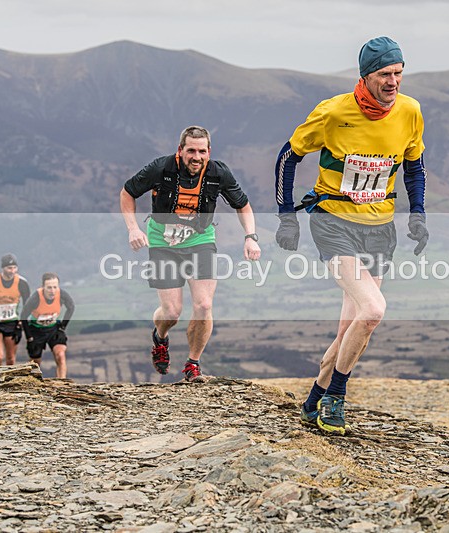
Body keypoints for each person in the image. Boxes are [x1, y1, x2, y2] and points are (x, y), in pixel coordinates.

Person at [274, 36, 428, 436]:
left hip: (380, 229)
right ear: (365, 76)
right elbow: (288, 156)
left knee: (352, 327)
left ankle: (313, 398)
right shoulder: (333, 112)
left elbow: (415, 166)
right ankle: (336, 397)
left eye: (398, 73)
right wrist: (286, 216)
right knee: (373, 310)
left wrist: (419, 214)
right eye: (384, 74)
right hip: (333, 222)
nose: (393, 82)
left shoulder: (410, 111)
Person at [120, 125, 261, 382]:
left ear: (209, 152)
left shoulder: (219, 173)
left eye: (202, 151)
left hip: (200, 238)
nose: (196, 157)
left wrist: (250, 237)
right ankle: (160, 338)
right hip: (162, 240)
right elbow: (128, 192)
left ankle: (193, 363)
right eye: (191, 151)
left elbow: (243, 205)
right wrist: (132, 229)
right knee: (172, 312)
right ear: (180, 150)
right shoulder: (161, 168)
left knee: (204, 304)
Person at [20, 273, 75, 379]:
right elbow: (23, 316)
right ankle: (34, 383)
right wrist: (29, 338)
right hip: (36, 329)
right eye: (49, 287)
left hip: (53, 328)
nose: (52, 291)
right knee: (35, 362)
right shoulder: (35, 298)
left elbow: (71, 307)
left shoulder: (62, 294)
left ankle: (62, 384)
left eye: (55, 287)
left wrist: (63, 326)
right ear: (43, 287)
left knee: (60, 355)